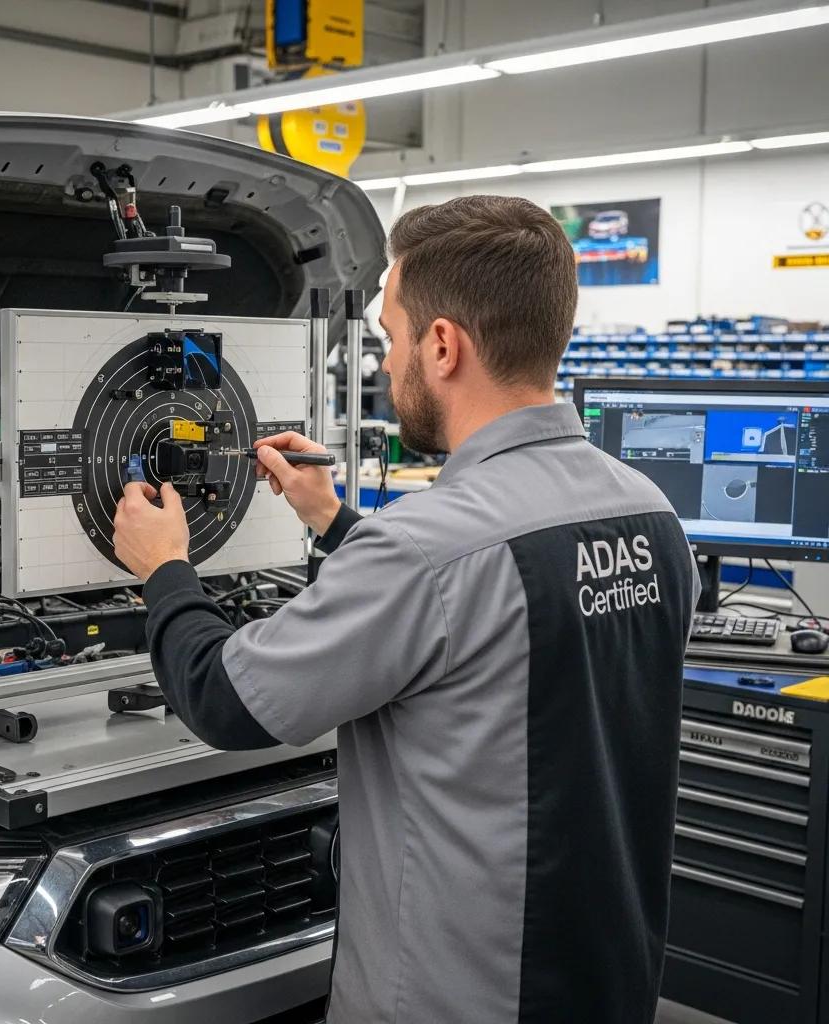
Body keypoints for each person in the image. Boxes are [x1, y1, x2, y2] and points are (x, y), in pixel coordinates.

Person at [112, 195, 701, 1024]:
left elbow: (224, 698)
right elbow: (484, 618)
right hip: (609, 977)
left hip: (458, 998)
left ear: (443, 345)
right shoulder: (649, 513)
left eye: (392, 337)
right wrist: (331, 519)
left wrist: (164, 568)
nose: (388, 366)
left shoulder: (425, 549)